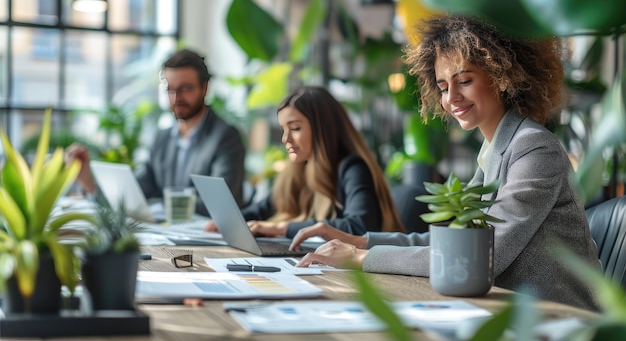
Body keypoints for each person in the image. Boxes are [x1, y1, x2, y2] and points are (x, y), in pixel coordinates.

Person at [289, 15, 601, 311]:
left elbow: (479, 256)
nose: (451, 98)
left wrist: (360, 257)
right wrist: (361, 241)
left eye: (464, 80)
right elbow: (454, 243)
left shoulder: (533, 148)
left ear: (502, 75)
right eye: (442, 86)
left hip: (563, 321)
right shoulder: (496, 150)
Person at [205, 85, 405, 238]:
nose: (285, 139)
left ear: (323, 130)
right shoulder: (297, 170)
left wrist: (281, 228)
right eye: (284, 129)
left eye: (295, 128)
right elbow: (261, 210)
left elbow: (361, 226)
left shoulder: (352, 169)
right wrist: (228, 221)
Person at [66, 48, 246, 214]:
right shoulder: (162, 137)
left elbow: (221, 204)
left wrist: (160, 206)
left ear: (204, 88)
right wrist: (89, 183)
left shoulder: (226, 137)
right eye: (170, 89)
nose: (177, 97)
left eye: (185, 88)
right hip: (166, 238)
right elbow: (137, 191)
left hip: (211, 240)